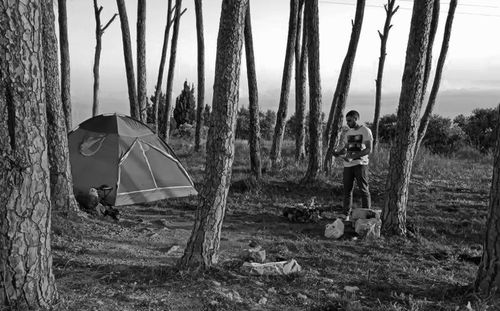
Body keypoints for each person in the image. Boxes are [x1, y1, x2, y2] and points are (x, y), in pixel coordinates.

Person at [332, 110, 373, 220]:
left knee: (363, 190)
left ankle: (367, 215)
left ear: (356, 119)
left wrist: (353, 157)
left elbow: (369, 149)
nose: (348, 123)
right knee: (347, 190)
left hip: (360, 164)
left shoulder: (366, 131)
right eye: (347, 121)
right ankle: (346, 214)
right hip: (348, 166)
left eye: (349, 120)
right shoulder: (348, 133)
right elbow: (345, 149)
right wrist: (337, 153)